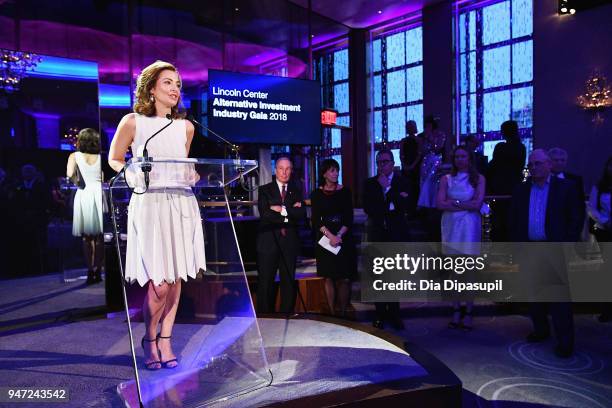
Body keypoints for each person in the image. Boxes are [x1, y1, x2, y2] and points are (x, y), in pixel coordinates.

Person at [108, 60, 206, 370]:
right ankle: (149, 339)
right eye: (168, 83)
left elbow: (184, 166)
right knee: (159, 283)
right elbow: (113, 159)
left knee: (175, 279)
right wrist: (132, 173)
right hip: (149, 203)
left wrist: (193, 176)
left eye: (177, 83)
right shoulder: (132, 122)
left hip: (180, 203)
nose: (175, 88)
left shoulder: (186, 127)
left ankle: (166, 340)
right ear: (151, 89)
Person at [510, 149, 583, 357]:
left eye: (538, 163)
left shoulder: (566, 188)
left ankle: (565, 342)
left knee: (559, 299)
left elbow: (575, 219)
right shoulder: (521, 190)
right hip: (530, 248)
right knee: (534, 295)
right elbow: (514, 220)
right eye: (531, 164)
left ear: (549, 165)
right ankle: (541, 330)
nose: (534, 167)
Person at [363, 149, 415, 330]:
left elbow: (405, 206)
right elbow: (371, 209)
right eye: (379, 162)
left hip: (397, 235)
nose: (382, 165)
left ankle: (394, 314)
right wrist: (391, 203)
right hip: (378, 234)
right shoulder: (370, 184)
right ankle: (380, 314)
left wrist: (388, 189)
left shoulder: (403, 182)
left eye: (385, 161)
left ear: (392, 163)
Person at [437, 146, 485, 330]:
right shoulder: (446, 179)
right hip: (450, 225)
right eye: (456, 156)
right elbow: (440, 204)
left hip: (470, 226)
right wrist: (464, 204)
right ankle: (456, 309)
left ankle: (469, 311)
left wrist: (454, 203)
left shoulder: (478, 179)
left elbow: (477, 204)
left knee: (469, 272)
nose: (459, 159)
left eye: (463, 156)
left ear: (469, 158)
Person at [256, 157, 305, 315]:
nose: (284, 172)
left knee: (288, 281)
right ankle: (265, 317)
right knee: (266, 281)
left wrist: (280, 209)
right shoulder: (265, 190)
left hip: (289, 242)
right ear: (275, 170)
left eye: (288, 169)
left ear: (291, 170)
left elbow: (301, 214)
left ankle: (287, 315)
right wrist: (289, 209)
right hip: (268, 242)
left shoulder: (296, 190)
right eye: (281, 168)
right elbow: (265, 214)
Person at [310, 159, 355, 317]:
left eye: (337, 170)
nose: (336, 173)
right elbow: (316, 220)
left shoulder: (345, 192)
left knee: (344, 278)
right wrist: (330, 236)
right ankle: (331, 313)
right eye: (332, 170)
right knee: (328, 277)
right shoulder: (316, 194)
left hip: (343, 237)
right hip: (325, 239)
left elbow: (349, 218)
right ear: (324, 174)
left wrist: (338, 236)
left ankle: (343, 312)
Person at [66, 128, 104, 284]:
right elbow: (102, 177)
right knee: (100, 237)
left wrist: (78, 182)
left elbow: (69, 174)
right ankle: (98, 270)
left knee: (87, 237)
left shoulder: (74, 156)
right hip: (99, 193)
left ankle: (90, 270)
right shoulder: (101, 157)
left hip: (84, 192)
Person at [487, 120, 526, 242]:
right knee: (513, 220)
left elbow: (493, 167)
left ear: (504, 132)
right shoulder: (521, 147)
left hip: (500, 189)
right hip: (515, 188)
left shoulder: (501, 147)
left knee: (499, 221)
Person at [587, 156, 612, 322]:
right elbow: (591, 208)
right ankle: (607, 310)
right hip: (606, 231)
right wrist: (605, 221)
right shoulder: (599, 186)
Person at [400, 120, 422, 199]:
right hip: (407, 167)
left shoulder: (418, 140)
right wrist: (404, 165)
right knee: (406, 187)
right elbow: (401, 154)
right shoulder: (403, 140)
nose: (410, 129)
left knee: (415, 187)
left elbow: (419, 155)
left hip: (415, 167)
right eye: (408, 127)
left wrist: (412, 165)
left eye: (411, 127)